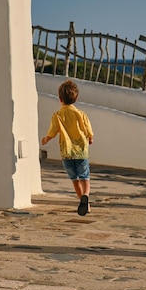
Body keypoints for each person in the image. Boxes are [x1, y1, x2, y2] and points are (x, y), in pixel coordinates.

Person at [41, 80, 94, 216]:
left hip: (66, 153)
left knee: (74, 179)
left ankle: (84, 204)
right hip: (81, 151)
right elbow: (88, 130)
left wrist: (46, 139)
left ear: (60, 99)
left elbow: (52, 132)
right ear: (76, 98)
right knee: (84, 176)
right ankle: (86, 196)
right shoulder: (81, 114)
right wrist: (90, 138)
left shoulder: (58, 115)